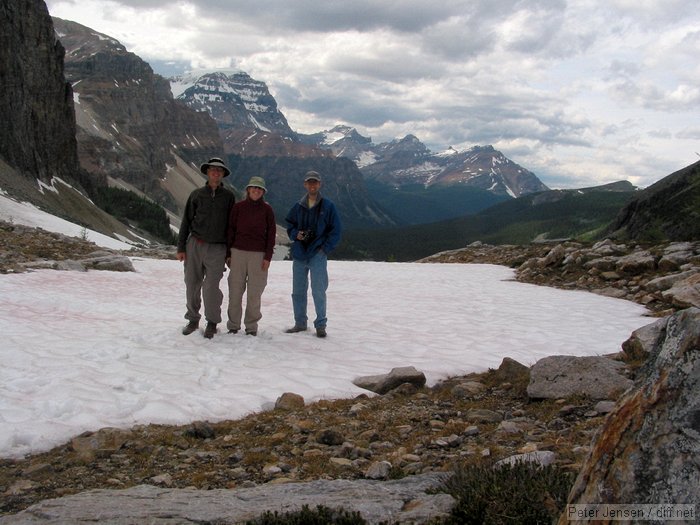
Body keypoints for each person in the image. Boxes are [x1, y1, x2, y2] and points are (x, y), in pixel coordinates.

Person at [177, 157, 236, 339]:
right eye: (212, 170)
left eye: (219, 170)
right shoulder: (196, 195)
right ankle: (193, 319)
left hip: (218, 248)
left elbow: (231, 226)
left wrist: (229, 252)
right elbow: (186, 221)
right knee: (192, 283)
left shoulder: (228, 197)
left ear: (223, 174)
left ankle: (212, 321)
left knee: (211, 287)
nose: (215, 173)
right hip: (195, 244)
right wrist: (181, 247)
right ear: (207, 172)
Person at [284, 170, 342, 338]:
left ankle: (321, 325)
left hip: (317, 253)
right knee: (298, 291)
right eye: (309, 182)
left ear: (319, 184)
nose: (312, 185)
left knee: (318, 290)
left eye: (315, 182)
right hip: (300, 253)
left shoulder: (328, 206)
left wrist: (325, 249)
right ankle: (300, 323)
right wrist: (296, 234)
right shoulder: (298, 206)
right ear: (305, 184)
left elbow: (336, 230)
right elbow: (289, 224)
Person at [226, 176, 276, 336]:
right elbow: (230, 230)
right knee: (235, 291)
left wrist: (267, 257)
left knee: (254, 293)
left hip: (259, 255)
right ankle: (233, 326)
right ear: (248, 189)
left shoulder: (268, 210)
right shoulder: (238, 208)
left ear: (263, 192)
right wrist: (228, 253)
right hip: (238, 253)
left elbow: (271, 235)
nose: (256, 190)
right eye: (254, 188)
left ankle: (251, 327)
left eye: (259, 189)